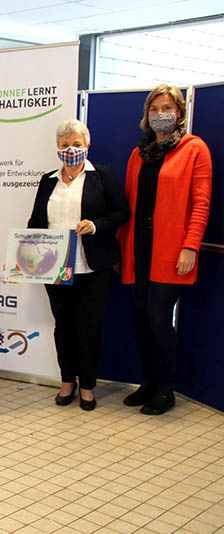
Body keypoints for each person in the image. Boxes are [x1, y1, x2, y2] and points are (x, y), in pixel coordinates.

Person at [118, 85, 212, 415]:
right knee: (142, 318)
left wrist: (191, 247)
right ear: (147, 114)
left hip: (171, 249)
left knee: (159, 319)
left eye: (167, 107)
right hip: (138, 246)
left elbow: (201, 204)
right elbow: (129, 203)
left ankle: (166, 388)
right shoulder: (138, 154)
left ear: (180, 112)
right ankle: (148, 383)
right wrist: (121, 249)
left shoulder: (194, 149)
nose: (161, 114)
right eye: (155, 108)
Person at [28, 119, 130, 411]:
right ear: (57, 148)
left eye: (76, 144)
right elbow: (35, 222)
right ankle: (66, 383)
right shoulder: (48, 180)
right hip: (55, 268)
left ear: (87, 145)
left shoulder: (103, 176)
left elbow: (123, 212)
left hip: (93, 267)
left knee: (89, 328)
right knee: (63, 328)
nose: (70, 149)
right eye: (64, 145)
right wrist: (21, 258)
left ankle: (87, 387)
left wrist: (96, 225)